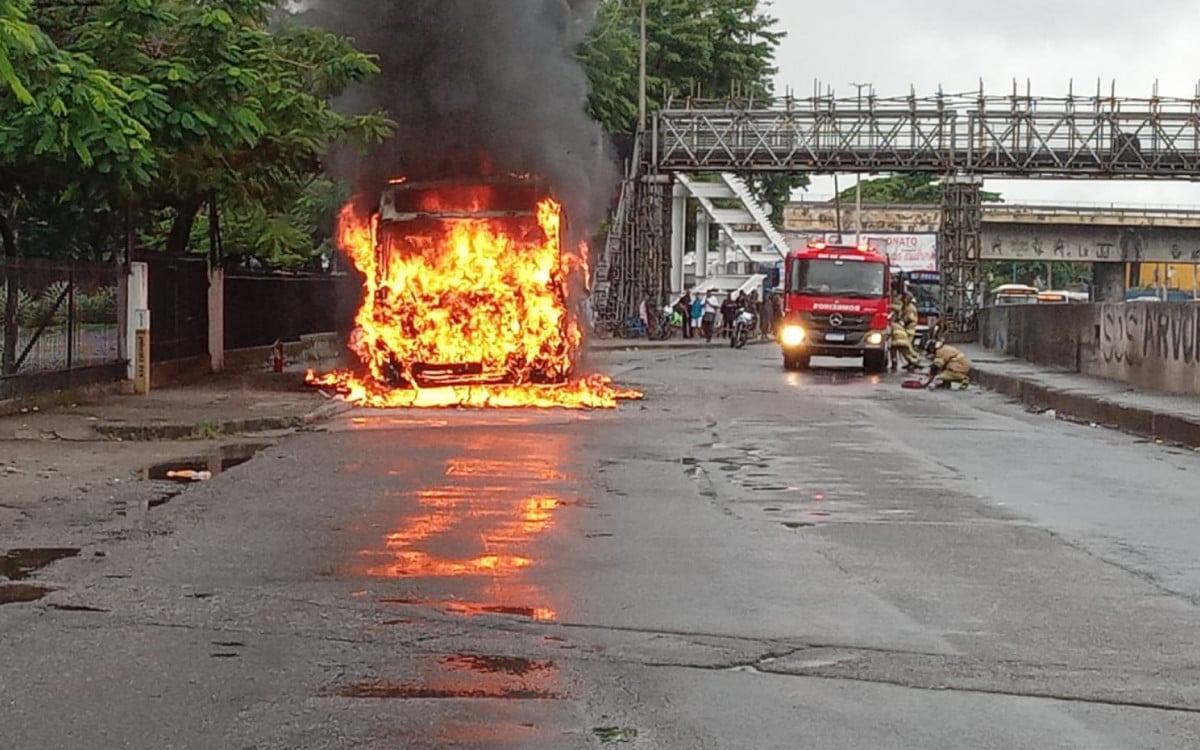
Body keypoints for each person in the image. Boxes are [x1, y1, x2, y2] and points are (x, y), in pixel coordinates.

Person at [889, 296, 921, 372]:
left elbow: (909, 318)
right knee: (905, 349)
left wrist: (901, 322)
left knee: (907, 349)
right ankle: (910, 362)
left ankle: (914, 361)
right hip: (905, 330)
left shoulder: (911, 308)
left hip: (909, 331)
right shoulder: (907, 307)